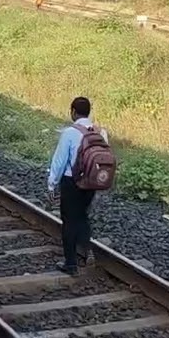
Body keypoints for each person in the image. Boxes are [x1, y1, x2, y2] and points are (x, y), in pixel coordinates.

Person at [47, 96, 106, 275]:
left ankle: (71, 264)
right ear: (89, 112)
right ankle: (88, 251)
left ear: (73, 111)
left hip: (71, 182)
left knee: (69, 221)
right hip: (91, 182)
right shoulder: (99, 132)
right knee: (82, 216)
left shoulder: (70, 133)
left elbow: (59, 161)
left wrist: (51, 184)